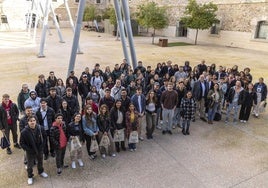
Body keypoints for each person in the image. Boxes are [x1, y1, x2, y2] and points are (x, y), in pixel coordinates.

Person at [19, 115, 48, 185]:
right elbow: (22, 143)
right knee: (30, 164)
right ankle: (30, 176)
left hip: (39, 149)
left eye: (34, 120)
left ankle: (41, 171)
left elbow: (45, 137)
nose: (32, 122)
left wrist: (42, 146)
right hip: (30, 151)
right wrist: (28, 150)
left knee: (40, 161)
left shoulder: (40, 128)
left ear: (36, 121)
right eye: (30, 121)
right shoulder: (24, 132)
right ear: (28, 122)